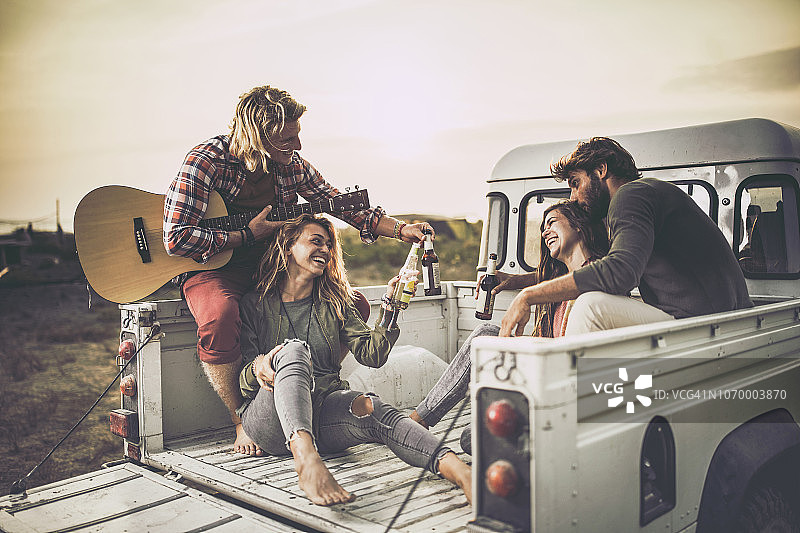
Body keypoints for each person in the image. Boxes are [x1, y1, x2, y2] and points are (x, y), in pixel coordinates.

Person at [163, 85, 434, 456]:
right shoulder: (206, 160)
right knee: (220, 316)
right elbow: (176, 238)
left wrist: (401, 230)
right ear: (260, 135)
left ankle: (313, 387)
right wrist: (244, 234)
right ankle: (240, 418)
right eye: (289, 138)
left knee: (352, 303)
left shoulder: (290, 167)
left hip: (266, 266)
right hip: (212, 265)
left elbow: (341, 204)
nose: (299, 146)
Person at [236, 214, 472, 506]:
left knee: (373, 407)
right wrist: (260, 365)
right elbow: (243, 380)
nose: (325, 249)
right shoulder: (254, 304)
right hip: (270, 422)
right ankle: (307, 461)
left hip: (323, 411)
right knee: (293, 349)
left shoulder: (336, 301)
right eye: (315, 241)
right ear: (288, 246)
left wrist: (391, 309)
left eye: (329, 245)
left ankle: (462, 474)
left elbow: (372, 355)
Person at [500, 137, 753, 338]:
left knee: (591, 307)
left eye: (576, 183)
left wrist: (529, 295)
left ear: (601, 170)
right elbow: (606, 268)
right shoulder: (650, 193)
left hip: (699, 326)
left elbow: (620, 273)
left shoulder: (629, 196)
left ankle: (566, 399)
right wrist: (518, 281)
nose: (574, 197)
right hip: (725, 322)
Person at [410, 200, 609, 444]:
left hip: (559, 380)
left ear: (579, 226)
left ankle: (419, 420)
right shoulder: (561, 276)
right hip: (540, 369)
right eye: (542, 227)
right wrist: (510, 280)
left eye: (552, 223)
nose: (545, 231)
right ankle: (420, 419)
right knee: (485, 337)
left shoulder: (598, 275)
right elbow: (544, 276)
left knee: (470, 439)